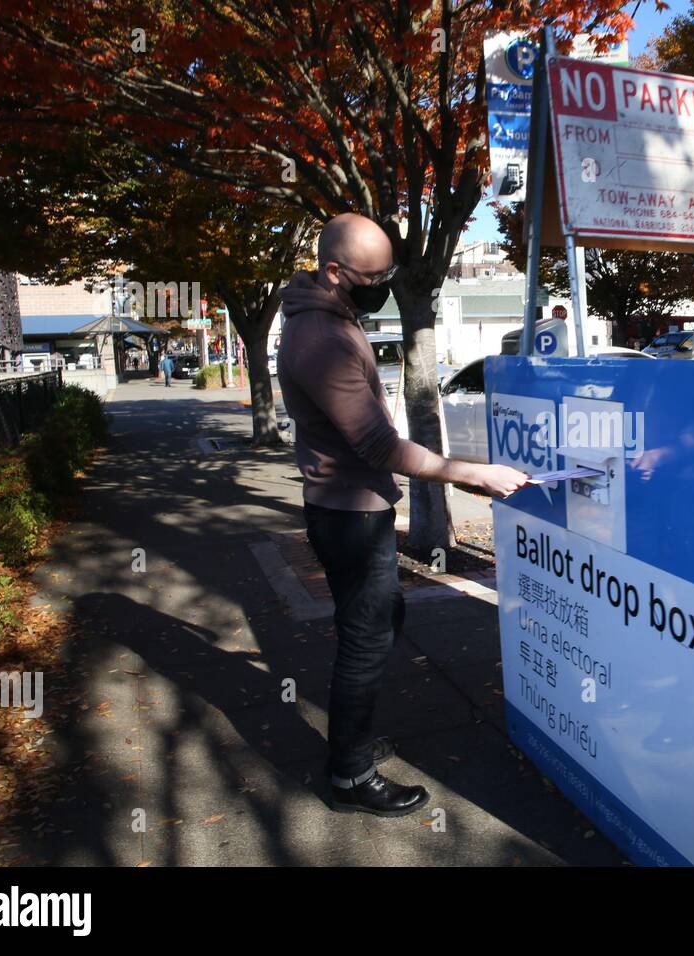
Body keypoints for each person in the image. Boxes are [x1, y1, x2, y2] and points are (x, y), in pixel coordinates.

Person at [277, 213, 527, 818]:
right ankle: (351, 777)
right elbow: (379, 447)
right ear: (335, 272)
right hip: (350, 516)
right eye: (374, 275)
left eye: (389, 271)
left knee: (379, 621)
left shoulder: (330, 317)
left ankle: (351, 744)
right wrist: (476, 473)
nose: (384, 283)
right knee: (366, 641)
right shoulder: (323, 340)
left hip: (346, 508)